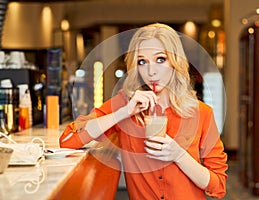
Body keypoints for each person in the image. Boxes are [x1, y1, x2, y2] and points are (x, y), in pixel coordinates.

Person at [59, 23, 228, 199]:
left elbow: (218, 187)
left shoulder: (201, 113)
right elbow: (68, 140)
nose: (151, 71)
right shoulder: (126, 104)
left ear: (175, 62)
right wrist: (122, 113)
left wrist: (178, 155)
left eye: (160, 59)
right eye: (142, 62)